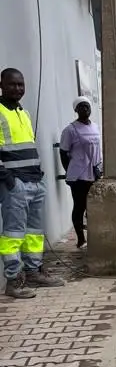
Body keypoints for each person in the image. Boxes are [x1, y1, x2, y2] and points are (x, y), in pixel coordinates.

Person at [0, 68, 65, 299]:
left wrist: (39, 173)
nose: (17, 88)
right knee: (13, 235)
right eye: (12, 84)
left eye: (21, 84)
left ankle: (34, 271)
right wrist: (9, 180)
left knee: (34, 232)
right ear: (1, 85)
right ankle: (13, 280)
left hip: (35, 182)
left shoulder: (23, 113)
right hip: (15, 186)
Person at [59, 97, 102, 249]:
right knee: (80, 206)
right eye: (81, 107)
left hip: (95, 173)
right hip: (79, 176)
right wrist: (70, 170)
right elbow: (63, 152)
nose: (85, 109)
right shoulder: (70, 130)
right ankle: (80, 239)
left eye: (87, 106)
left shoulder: (95, 127)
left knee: (94, 207)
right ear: (76, 110)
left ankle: (95, 236)